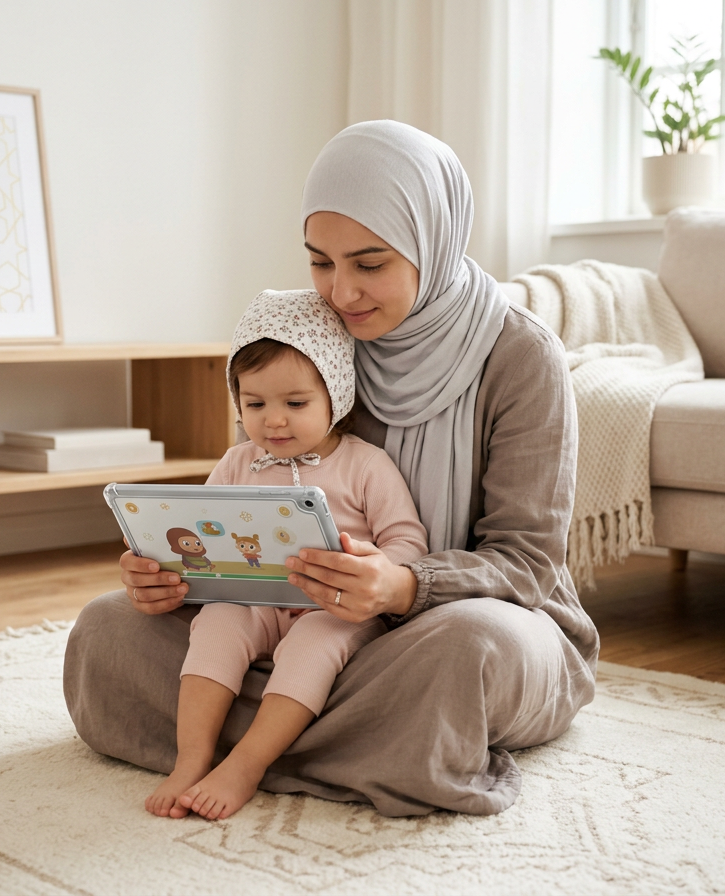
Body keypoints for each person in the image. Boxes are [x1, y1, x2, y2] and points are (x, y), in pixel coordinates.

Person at [64, 120, 599, 817]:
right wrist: (174, 574)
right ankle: (370, 745)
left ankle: (259, 743)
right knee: (106, 630)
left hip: (448, 625)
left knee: (467, 654)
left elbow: (527, 564)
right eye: (321, 262)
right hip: (300, 620)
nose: (342, 293)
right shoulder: (319, 340)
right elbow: (254, 493)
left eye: (370, 264)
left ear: (432, 242)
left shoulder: (522, 358)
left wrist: (403, 586)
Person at [145, 289, 428, 820]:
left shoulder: (365, 465)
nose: (273, 421)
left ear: (335, 395)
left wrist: (372, 566)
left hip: (334, 609)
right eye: (254, 405)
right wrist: (163, 562)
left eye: (295, 404)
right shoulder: (236, 462)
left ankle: (247, 763)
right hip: (255, 600)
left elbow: (408, 544)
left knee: (314, 644)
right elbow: (197, 538)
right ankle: (191, 759)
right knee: (216, 624)